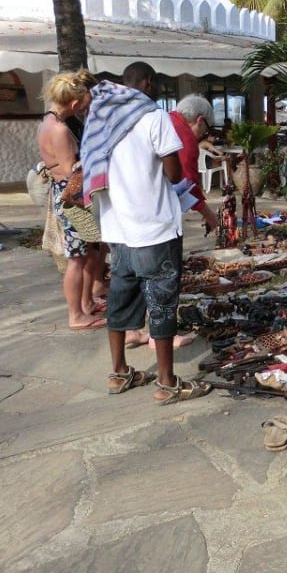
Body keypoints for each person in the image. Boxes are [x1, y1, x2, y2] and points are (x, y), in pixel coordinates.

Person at [82, 61, 211, 403]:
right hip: (154, 228)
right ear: (149, 83)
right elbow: (171, 173)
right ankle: (167, 382)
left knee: (119, 299)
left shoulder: (103, 122)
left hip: (117, 228)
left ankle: (119, 372)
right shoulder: (154, 118)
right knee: (162, 302)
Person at [38, 70, 106, 330]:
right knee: (76, 258)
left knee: (87, 253)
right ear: (75, 103)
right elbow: (71, 171)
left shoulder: (47, 122)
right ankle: (75, 314)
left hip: (64, 195)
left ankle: (85, 304)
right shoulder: (60, 130)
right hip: (71, 199)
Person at [171, 94, 220, 234]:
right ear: (199, 120)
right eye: (205, 130)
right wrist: (210, 216)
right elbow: (188, 183)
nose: (203, 135)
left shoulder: (167, 119)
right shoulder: (186, 136)